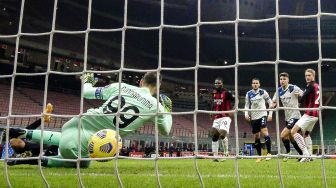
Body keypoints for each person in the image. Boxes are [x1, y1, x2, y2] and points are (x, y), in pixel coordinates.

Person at [9, 72, 173, 167]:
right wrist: (167, 110)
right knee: (84, 163)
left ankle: (26, 133)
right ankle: (29, 159)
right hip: (92, 142)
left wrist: (87, 80)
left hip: (76, 123)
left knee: (77, 146)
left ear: (141, 82)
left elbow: (87, 93)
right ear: (157, 88)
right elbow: (166, 131)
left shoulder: (120, 86)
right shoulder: (155, 106)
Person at [270, 72, 303, 161]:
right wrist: (272, 108)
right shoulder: (279, 90)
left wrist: (301, 99)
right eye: (281, 79)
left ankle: (288, 153)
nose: (282, 81)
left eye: (284, 79)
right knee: (292, 138)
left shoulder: (293, 88)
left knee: (283, 135)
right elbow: (273, 101)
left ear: (288, 80)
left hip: (295, 116)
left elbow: (303, 94)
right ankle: (302, 154)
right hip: (287, 117)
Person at [291, 68, 319, 162]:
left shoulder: (310, 85)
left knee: (294, 131)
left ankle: (305, 153)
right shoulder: (317, 85)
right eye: (306, 75)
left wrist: (300, 95)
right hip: (316, 114)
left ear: (313, 76)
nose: (307, 77)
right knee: (306, 134)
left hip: (310, 113)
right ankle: (310, 156)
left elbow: (302, 99)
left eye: (309, 75)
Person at [244, 78, 273, 162]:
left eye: (257, 83)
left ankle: (269, 153)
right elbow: (246, 105)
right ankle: (259, 156)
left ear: (259, 84)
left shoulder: (263, 92)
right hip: (254, 117)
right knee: (256, 136)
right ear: (252, 84)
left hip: (263, 115)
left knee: (264, 130)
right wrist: (246, 114)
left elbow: (270, 103)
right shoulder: (248, 94)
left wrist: (270, 114)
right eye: (253, 83)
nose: (255, 84)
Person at [210, 77, 235, 162]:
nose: (217, 84)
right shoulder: (213, 93)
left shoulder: (227, 93)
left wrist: (234, 109)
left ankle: (226, 153)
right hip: (217, 117)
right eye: (216, 83)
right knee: (214, 136)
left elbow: (236, 99)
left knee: (222, 134)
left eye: (218, 83)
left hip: (225, 116)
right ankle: (215, 157)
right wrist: (211, 112)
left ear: (222, 84)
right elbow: (213, 103)